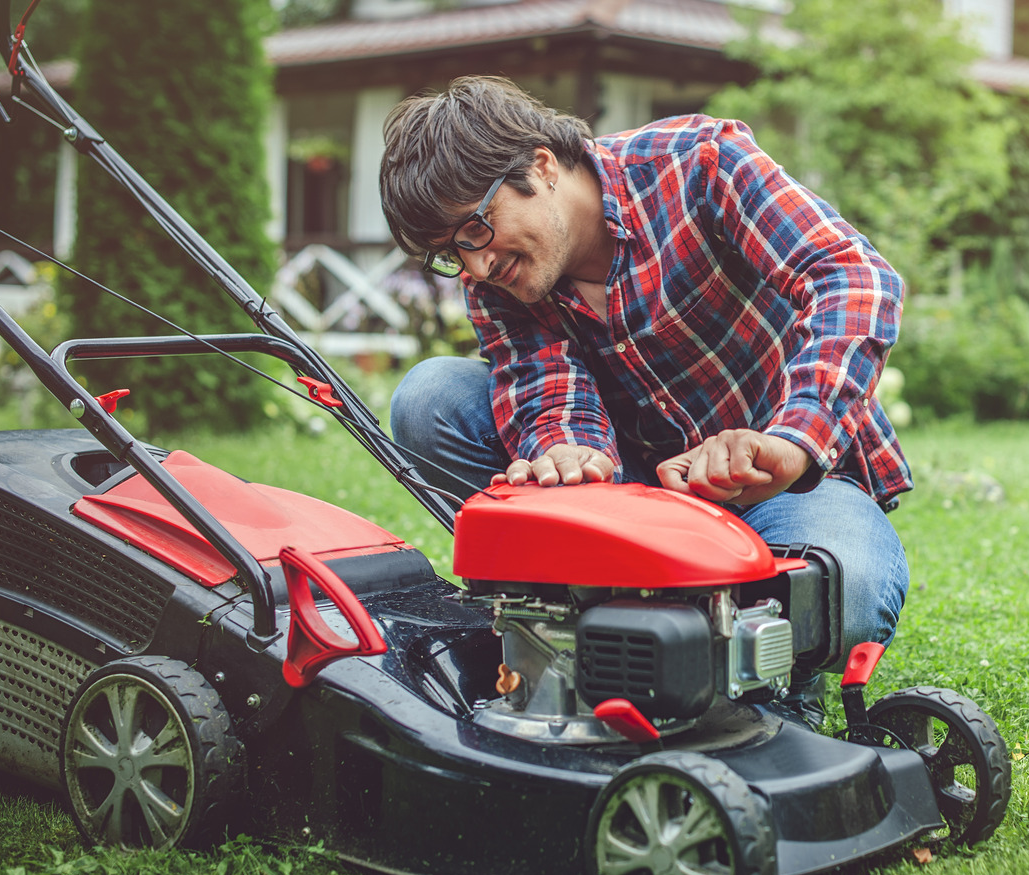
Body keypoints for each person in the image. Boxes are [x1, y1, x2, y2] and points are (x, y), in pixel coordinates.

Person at [378, 76, 911, 725]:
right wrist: (564, 454)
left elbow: (852, 275)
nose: (477, 267)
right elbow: (547, 387)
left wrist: (793, 438)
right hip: (634, 498)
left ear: (540, 167)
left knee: (847, 592)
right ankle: (573, 616)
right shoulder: (500, 277)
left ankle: (763, 660)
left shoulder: (700, 164)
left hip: (786, 485)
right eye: (449, 254)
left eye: (475, 229)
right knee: (430, 395)